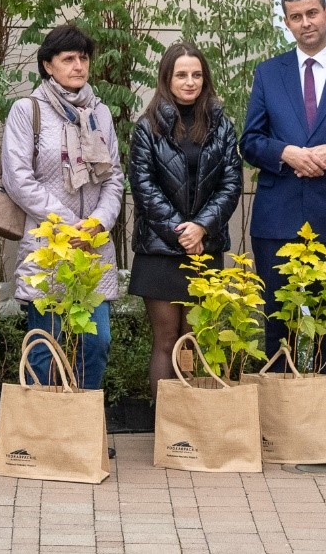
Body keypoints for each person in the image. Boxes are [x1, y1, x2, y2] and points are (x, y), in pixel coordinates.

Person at [241, 0, 326, 408]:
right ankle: (280, 424)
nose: (305, 23)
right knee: (280, 325)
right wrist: (286, 153)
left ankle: (325, 423)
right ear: (286, 22)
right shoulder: (269, 73)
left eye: (312, 13)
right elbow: (250, 141)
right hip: (277, 221)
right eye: (295, 17)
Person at [3, 24, 124, 390]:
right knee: (45, 346)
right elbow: (19, 178)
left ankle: (83, 430)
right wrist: (70, 224)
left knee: (95, 341)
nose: (78, 66)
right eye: (68, 58)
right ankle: (43, 434)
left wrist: (99, 223)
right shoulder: (28, 110)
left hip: (93, 248)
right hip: (49, 246)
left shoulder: (99, 112)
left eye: (83, 58)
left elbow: (114, 177)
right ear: (47, 65)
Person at [128, 42, 242, 396]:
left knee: (195, 338)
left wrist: (202, 227)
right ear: (167, 78)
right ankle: (169, 431)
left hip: (204, 247)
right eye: (181, 75)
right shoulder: (147, 127)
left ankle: (193, 429)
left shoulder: (221, 125)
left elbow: (232, 181)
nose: (190, 82)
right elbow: (143, 187)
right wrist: (181, 231)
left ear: (205, 79)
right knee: (166, 341)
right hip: (160, 249)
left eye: (197, 74)